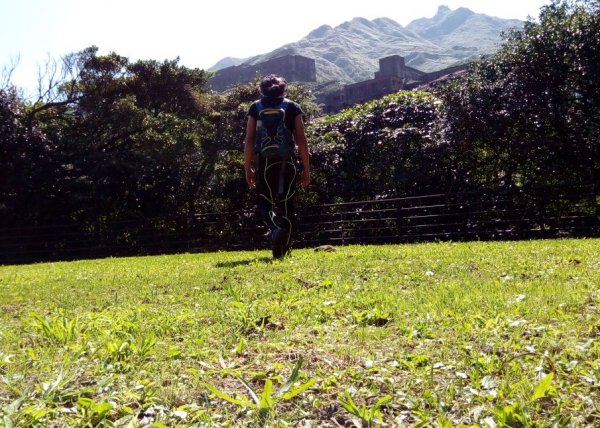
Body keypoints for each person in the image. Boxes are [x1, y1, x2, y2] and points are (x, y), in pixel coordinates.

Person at [244, 74, 310, 259]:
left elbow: (249, 139)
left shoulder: (255, 108)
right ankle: (284, 250)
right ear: (284, 89)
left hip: (264, 162)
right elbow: (301, 140)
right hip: (287, 161)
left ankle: (275, 229)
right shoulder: (292, 107)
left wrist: (247, 167)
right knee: (287, 204)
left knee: (265, 203)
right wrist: (306, 168)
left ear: (261, 90)